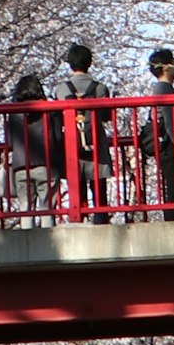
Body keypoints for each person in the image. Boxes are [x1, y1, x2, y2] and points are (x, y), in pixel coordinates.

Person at [56, 43, 110, 220]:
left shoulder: (62, 89)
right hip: (96, 145)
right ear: (90, 63)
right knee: (99, 192)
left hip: (72, 145)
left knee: (77, 192)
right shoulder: (100, 88)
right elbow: (106, 116)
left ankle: (78, 221)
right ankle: (101, 221)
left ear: (70, 64)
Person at [2, 72, 59, 221]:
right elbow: (58, 136)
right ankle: (47, 239)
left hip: (21, 165)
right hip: (46, 164)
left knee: (25, 208)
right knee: (47, 208)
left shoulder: (14, 113)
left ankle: (26, 239)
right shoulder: (50, 110)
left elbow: (9, 142)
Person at [140, 47, 174, 215]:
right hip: (170, 145)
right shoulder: (164, 89)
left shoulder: (162, 88)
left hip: (168, 144)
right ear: (166, 67)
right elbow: (170, 121)